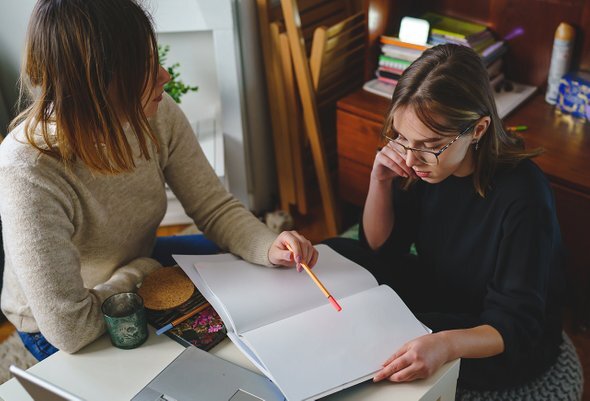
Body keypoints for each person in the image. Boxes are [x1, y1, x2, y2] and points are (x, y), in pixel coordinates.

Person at [0, 0, 317, 361]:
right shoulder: (27, 168)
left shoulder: (156, 111)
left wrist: (267, 244)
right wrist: (142, 272)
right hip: (58, 325)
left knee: (249, 273)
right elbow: (71, 328)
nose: (165, 75)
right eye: (145, 67)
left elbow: (213, 207)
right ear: (98, 82)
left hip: (136, 263)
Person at [324, 44, 569, 392]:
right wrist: (378, 181)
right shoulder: (419, 163)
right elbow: (381, 249)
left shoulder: (524, 195)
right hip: (443, 287)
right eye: (402, 137)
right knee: (338, 254)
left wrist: (446, 344)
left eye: (429, 144)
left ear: (479, 130)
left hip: (496, 335)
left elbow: (515, 324)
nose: (410, 158)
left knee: (391, 339)